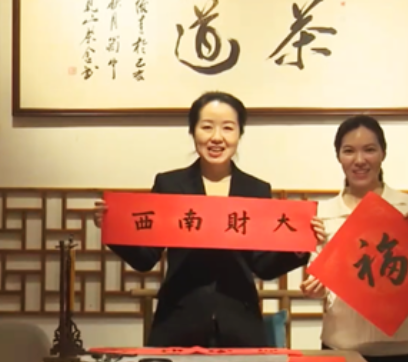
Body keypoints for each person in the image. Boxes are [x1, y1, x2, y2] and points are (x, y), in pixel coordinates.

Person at [94, 91, 326, 348]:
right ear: (192, 131)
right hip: (179, 321)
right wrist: (113, 228)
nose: (217, 137)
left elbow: (263, 265)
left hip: (240, 324)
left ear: (239, 134)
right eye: (207, 127)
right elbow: (146, 258)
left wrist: (298, 247)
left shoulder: (256, 189)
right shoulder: (170, 185)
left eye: (228, 128)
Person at [299, 115, 408, 362]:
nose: (359, 160)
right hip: (341, 346)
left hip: (403, 347)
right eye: (349, 151)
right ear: (338, 156)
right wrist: (314, 288)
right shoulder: (323, 212)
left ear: (383, 153)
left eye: (369, 150)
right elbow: (320, 285)